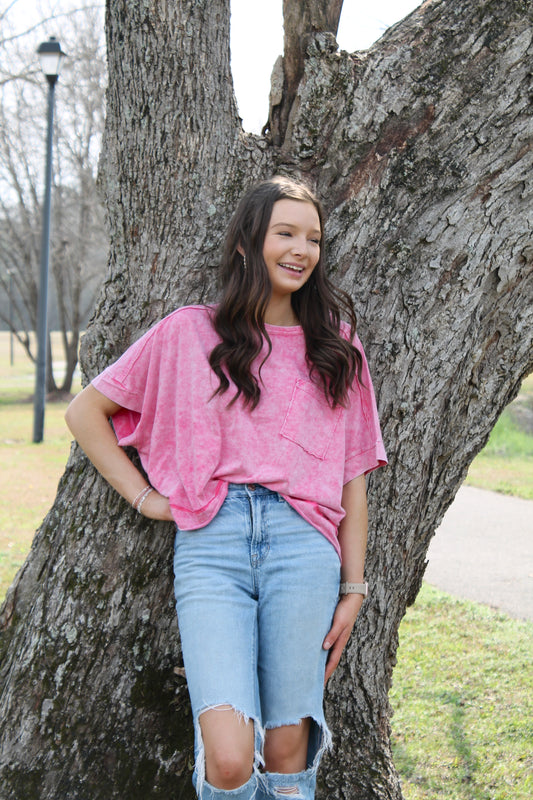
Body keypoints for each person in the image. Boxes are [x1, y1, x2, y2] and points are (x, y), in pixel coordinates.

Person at [65, 176, 387, 800]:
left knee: (290, 743)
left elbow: (352, 477)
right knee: (233, 757)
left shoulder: (336, 349)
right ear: (247, 243)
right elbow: (86, 413)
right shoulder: (189, 333)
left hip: (304, 548)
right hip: (211, 546)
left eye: (313, 238)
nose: (301, 250)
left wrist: (353, 586)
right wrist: (146, 498)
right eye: (285, 234)